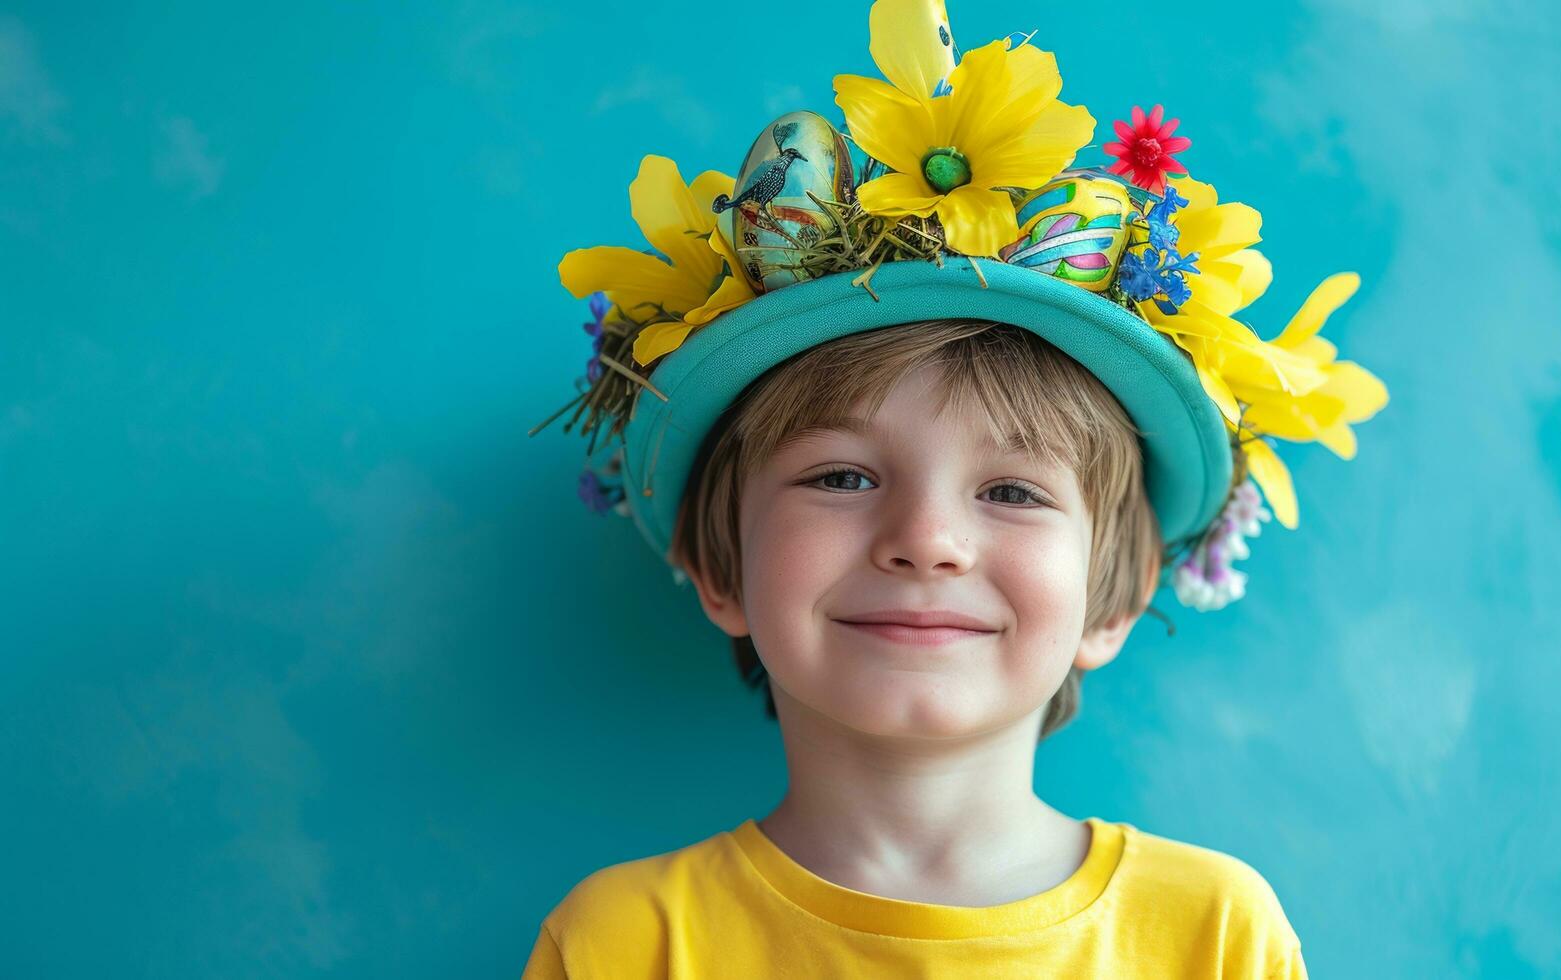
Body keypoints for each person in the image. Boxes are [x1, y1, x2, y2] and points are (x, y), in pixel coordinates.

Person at [525, 2, 1385, 975]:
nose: (927, 538)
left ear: (1116, 592)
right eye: (840, 475)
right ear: (717, 564)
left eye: (1012, 490)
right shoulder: (622, 943)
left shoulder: (1212, 933)